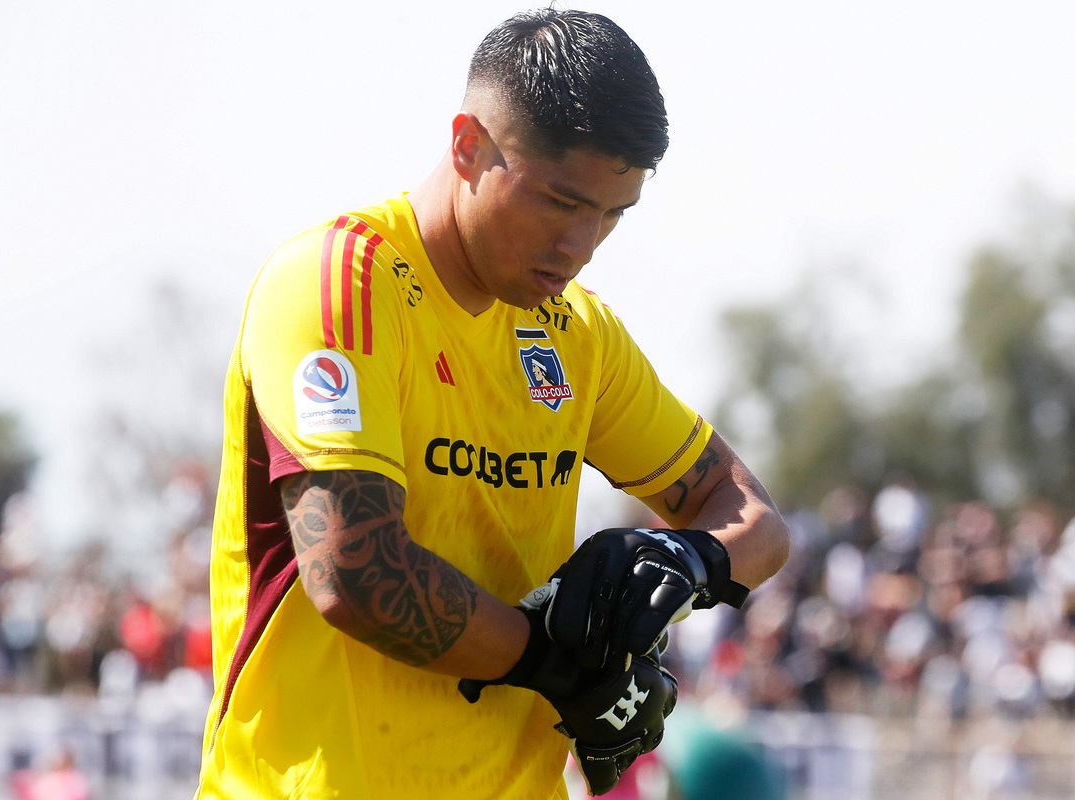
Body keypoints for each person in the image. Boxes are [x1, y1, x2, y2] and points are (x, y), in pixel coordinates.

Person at [194, 8, 790, 800]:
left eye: (614, 214)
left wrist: (685, 560)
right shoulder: (340, 284)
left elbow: (755, 522)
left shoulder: (577, 335)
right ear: (468, 144)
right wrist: (560, 663)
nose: (581, 246)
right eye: (560, 201)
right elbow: (355, 570)